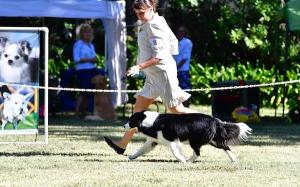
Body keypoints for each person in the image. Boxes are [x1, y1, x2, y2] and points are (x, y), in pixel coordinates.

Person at [104, 0, 198, 155]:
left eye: (141, 12)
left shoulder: (155, 25)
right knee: (139, 108)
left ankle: (212, 123)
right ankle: (122, 144)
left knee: (176, 109)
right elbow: (172, 42)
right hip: (153, 75)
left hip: (162, 74)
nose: (139, 16)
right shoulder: (154, 21)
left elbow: (159, 57)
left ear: (151, 8)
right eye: (136, 14)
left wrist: (138, 67)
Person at [73, 23, 104, 118]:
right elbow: (76, 59)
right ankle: (77, 114)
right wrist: (90, 59)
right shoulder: (78, 44)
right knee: (83, 92)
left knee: (90, 93)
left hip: (92, 70)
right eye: (86, 32)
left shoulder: (91, 45)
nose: (88, 34)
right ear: (81, 34)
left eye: (90, 32)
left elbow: (95, 58)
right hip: (83, 72)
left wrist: (93, 59)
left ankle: (84, 112)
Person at [173, 25, 193, 107]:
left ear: (185, 33)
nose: (180, 33)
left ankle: (186, 108)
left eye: (182, 31)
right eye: (178, 31)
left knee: (185, 91)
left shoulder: (188, 42)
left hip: (183, 71)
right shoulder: (174, 42)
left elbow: (185, 58)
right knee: (175, 91)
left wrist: (176, 68)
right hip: (174, 71)